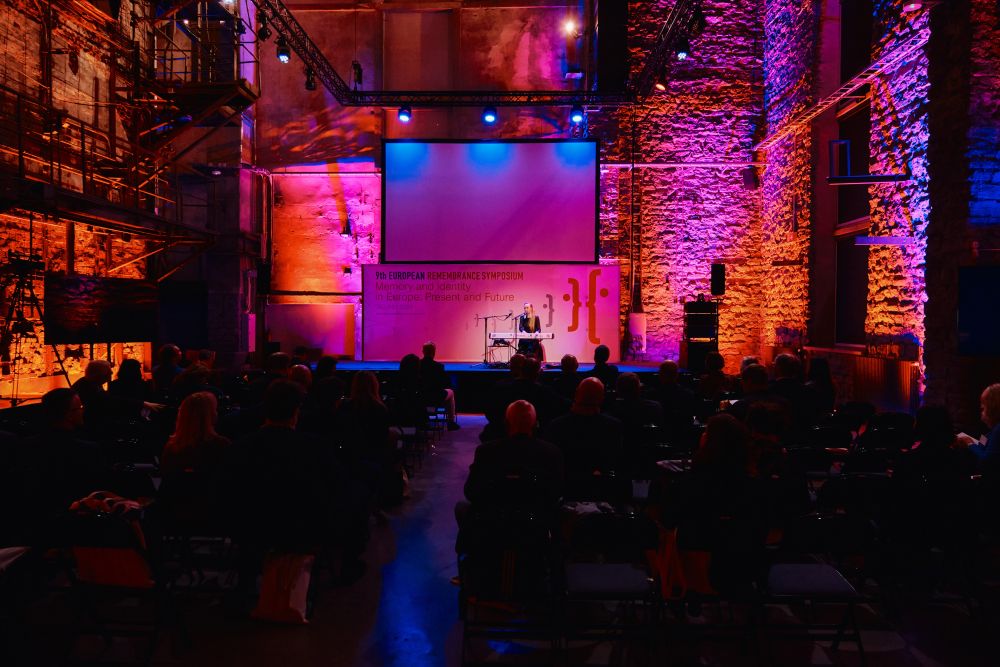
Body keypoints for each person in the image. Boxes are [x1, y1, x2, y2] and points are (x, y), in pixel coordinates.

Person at [463, 400, 564, 509]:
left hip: (494, 517)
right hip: (537, 519)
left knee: (462, 507)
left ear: (506, 424)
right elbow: (556, 493)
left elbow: (471, 492)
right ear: (536, 425)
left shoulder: (486, 450)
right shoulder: (552, 451)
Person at [544, 377, 623, 495]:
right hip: (602, 490)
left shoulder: (556, 426)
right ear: (602, 398)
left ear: (576, 394)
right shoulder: (613, 427)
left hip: (564, 490)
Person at [160, 391, 232, 474]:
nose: (216, 413)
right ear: (210, 415)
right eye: (215, 409)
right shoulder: (222, 446)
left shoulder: (172, 448)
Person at [957, 383, 1000, 470]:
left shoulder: (998, 429)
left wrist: (970, 444)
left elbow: (987, 460)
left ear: (993, 408)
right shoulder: (994, 429)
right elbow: (985, 443)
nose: (981, 413)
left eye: (983, 408)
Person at [420, 342, 459, 430]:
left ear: (423, 352)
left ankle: (424, 418)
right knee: (451, 392)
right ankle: (451, 422)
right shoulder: (438, 366)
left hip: (421, 397)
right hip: (435, 397)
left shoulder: (418, 365)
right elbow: (444, 382)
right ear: (434, 352)